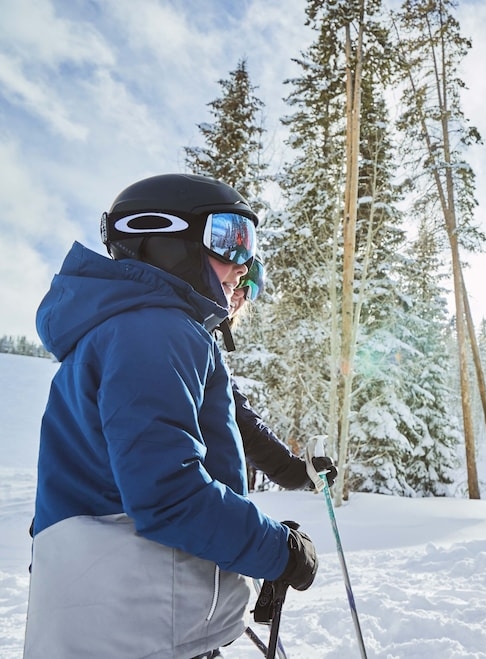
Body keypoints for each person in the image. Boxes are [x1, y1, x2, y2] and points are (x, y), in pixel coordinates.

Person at [26, 173, 319, 658]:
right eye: (230, 239)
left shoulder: (128, 329)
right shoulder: (156, 329)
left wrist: (253, 542)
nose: (240, 268)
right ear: (168, 239)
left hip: (114, 617)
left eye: (248, 248)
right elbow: (169, 494)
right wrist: (279, 553)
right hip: (139, 623)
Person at [226, 257, 335, 493]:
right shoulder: (188, 335)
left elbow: (239, 419)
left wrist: (295, 472)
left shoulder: (204, 341)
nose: (238, 296)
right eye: (234, 284)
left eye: (247, 291)